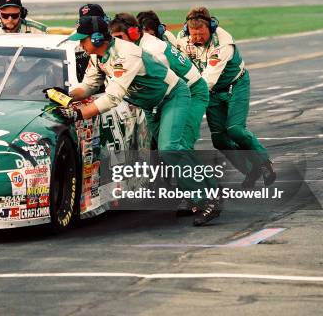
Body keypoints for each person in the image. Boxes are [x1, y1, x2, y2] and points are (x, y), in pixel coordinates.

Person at [47, 16, 222, 226]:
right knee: (172, 150)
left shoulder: (126, 55)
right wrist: (67, 94)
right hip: (151, 104)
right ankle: (210, 190)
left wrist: (79, 114)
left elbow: (112, 97)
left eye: (82, 39)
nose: (79, 44)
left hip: (172, 97)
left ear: (95, 38)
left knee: (170, 149)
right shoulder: (98, 57)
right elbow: (90, 86)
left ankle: (207, 200)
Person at [176, 6, 276, 188]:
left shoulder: (223, 42)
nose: (197, 38)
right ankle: (250, 169)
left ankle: (264, 161)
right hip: (212, 91)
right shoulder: (181, 39)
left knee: (235, 129)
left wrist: (187, 97)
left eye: (201, 34)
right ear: (187, 29)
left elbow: (208, 79)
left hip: (235, 85)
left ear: (211, 28)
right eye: (194, 34)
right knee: (219, 139)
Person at [109, 13, 209, 150]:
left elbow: (166, 84)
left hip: (190, 91)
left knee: (177, 145)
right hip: (159, 97)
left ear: (133, 34)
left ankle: (198, 171)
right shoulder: (133, 46)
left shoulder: (151, 49)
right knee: (164, 147)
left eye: (119, 37)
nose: (116, 42)